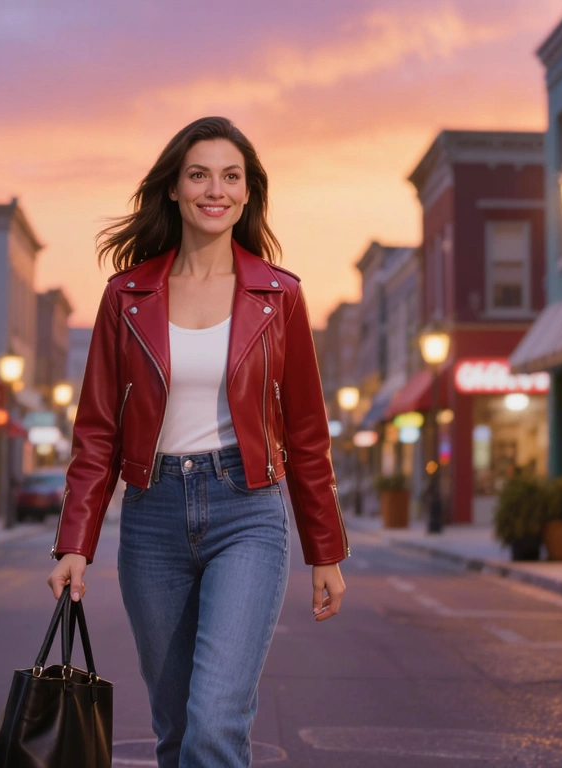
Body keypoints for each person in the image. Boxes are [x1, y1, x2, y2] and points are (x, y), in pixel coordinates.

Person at [47, 116, 350, 768]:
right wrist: (75, 542)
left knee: (214, 724)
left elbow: (305, 431)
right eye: (200, 175)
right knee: (177, 730)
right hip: (151, 516)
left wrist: (325, 550)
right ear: (174, 189)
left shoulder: (279, 296)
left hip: (249, 513)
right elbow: (97, 429)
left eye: (231, 176)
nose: (216, 189)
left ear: (248, 192)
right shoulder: (126, 296)